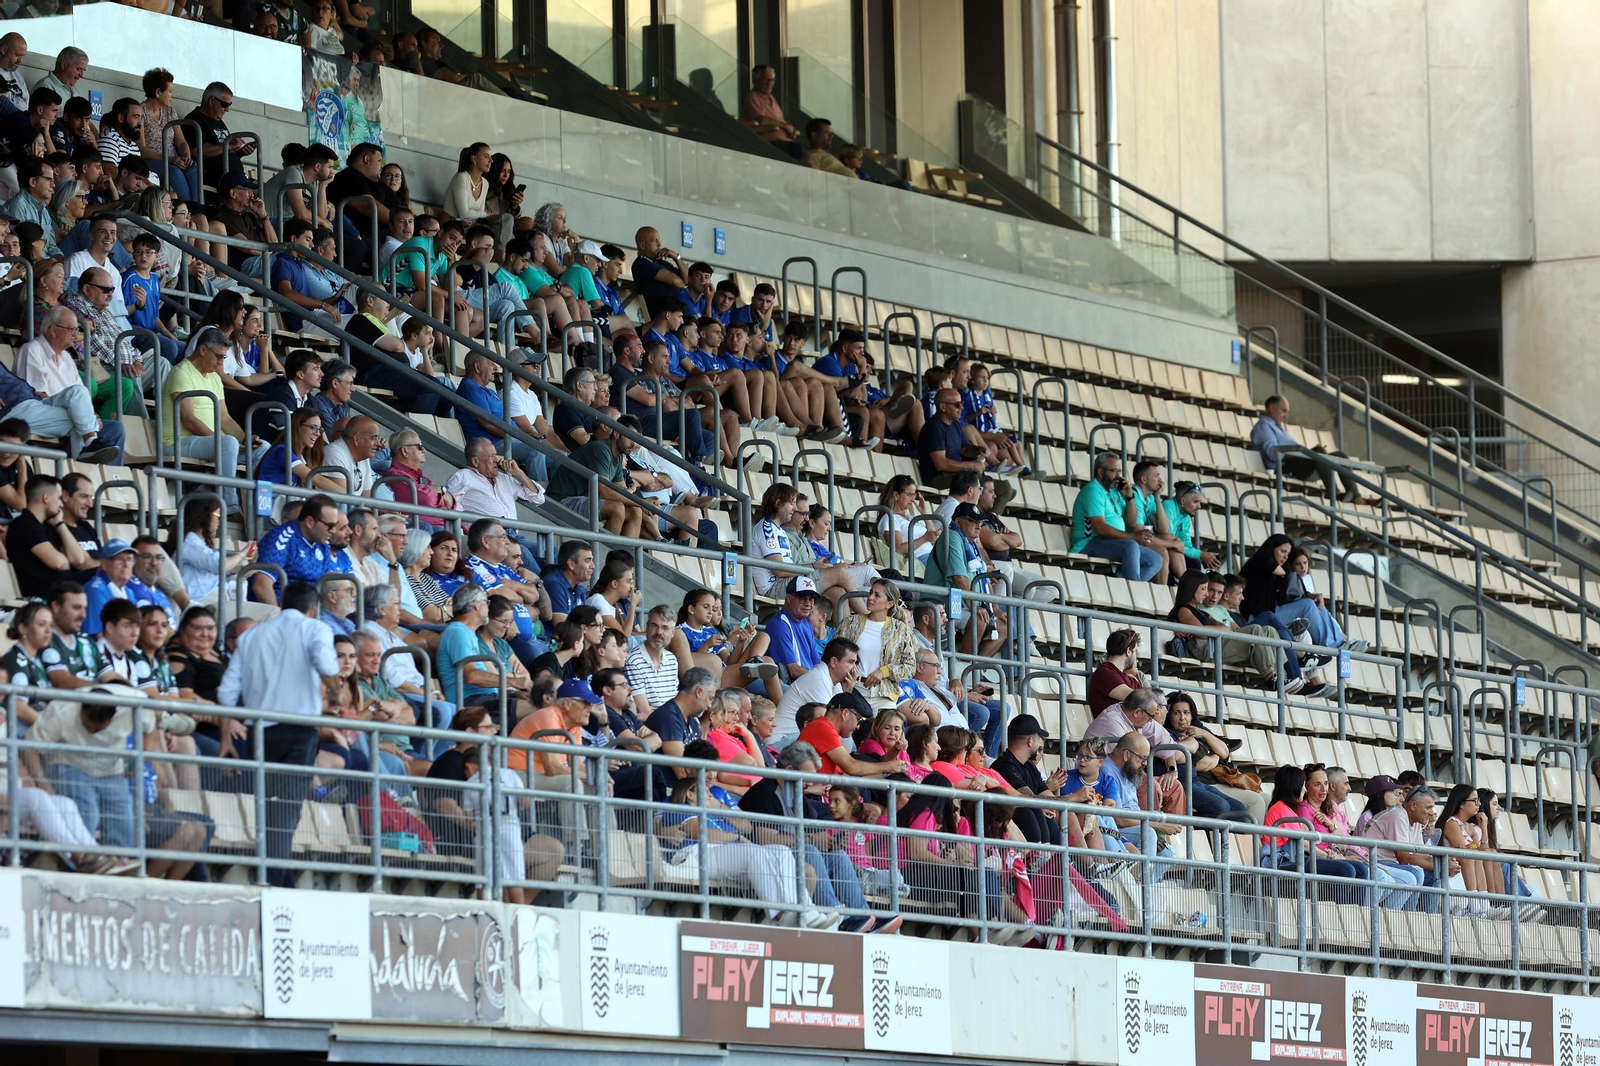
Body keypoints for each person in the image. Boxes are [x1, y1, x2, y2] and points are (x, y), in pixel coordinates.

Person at [214, 582, 339, 886]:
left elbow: (226, 692)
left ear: (282, 604)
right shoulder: (314, 628)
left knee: (270, 805)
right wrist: (336, 691)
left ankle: (277, 876)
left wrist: (226, 739)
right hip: (299, 731)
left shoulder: (253, 635)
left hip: (261, 731)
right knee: (287, 806)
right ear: (313, 609)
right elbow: (324, 662)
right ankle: (275, 881)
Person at [1239, 534, 1367, 656]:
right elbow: (1272, 566)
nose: (1285, 557)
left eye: (1288, 554)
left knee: (1314, 603)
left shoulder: (1276, 571)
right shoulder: (1260, 561)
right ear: (1271, 547)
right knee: (1307, 605)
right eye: (1283, 551)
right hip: (1257, 619)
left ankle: (1341, 641)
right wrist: (1288, 572)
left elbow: (1291, 595)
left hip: (1272, 614)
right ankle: (1334, 644)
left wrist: (1315, 595)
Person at [1250, 394, 1371, 504]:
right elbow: (1273, 453)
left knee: (1340, 456)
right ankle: (1335, 494)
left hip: (1297, 465)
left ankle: (1355, 496)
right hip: (1285, 469)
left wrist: (1306, 453)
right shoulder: (1263, 427)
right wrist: (1301, 453)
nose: (1286, 416)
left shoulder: (1277, 426)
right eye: (1283, 411)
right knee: (1319, 452)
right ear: (1271, 408)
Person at [1071, 451, 1162, 581]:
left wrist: (1129, 497)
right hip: (1089, 543)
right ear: (1101, 472)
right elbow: (1100, 528)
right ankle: (1133, 590)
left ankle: (1122, 583)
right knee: (1131, 546)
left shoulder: (1115, 491)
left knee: (1155, 559)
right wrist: (1132, 536)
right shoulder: (1093, 491)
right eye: (1114, 471)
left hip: (1110, 542)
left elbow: (1131, 523)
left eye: (1119, 471)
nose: (1118, 476)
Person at [5, 474, 96, 600]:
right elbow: (59, 563)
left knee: (104, 576)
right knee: (101, 575)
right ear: (46, 498)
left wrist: (59, 524)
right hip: (40, 595)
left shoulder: (46, 526)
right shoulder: (24, 524)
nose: (61, 504)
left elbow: (74, 560)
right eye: (59, 498)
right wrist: (66, 560)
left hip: (60, 590)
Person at [832, 578, 918, 705]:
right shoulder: (849, 623)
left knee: (886, 724)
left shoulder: (900, 629)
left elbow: (910, 668)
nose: (870, 597)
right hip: (853, 688)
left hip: (884, 693)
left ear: (889, 604)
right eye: (870, 592)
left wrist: (884, 672)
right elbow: (833, 653)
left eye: (877, 595)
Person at [773, 637, 858, 747]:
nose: (854, 668)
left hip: (794, 737)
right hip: (781, 740)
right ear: (833, 662)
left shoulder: (834, 682)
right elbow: (831, 723)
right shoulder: (819, 679)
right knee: (841, 739)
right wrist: (846, 693)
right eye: (850, 662)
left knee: (847, 739)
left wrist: (846, 693)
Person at [741, 64, 802, 158]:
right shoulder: (752, 97)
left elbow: (780, 120)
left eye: (772, 80)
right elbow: (761, 120)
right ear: (756, 80)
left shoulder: (772, 98)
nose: (770, 83)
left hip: (785, 142)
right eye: (766, 80)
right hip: (769, 144)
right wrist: (785, 126)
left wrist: (791, 131)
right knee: (800, 150)